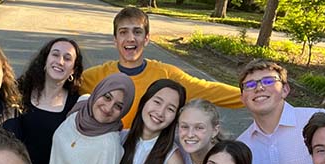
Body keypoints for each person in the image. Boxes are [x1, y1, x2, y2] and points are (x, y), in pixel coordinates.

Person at [80, 6, 242, 128]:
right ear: (115, 40)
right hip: (105, 157)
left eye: (137, 32)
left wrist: (252, 96)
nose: (130, 38)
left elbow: (209, 90)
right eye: (123, 32)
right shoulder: (94, 77)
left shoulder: (166, 75)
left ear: (147, 38)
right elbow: (60, 88)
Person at [18, 37, 84, 164]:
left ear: (73, 69)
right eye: (55, 54)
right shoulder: (20, 91)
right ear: (45, 60)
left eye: (67, 58)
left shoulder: (77, 105)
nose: (60, 61)